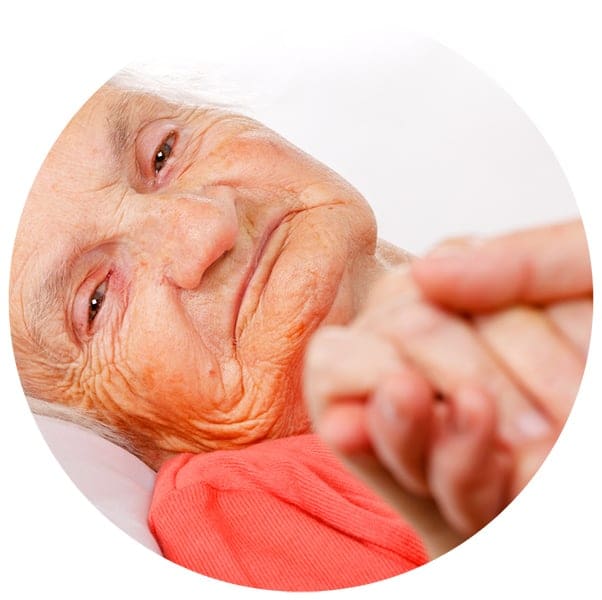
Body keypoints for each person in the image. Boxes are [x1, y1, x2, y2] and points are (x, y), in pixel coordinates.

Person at [9, 71, 591, 588]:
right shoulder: (240, 510)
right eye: (98, 299)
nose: (205, 224)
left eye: (163, 153)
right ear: (101, 426)